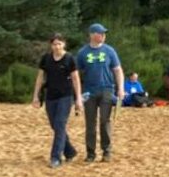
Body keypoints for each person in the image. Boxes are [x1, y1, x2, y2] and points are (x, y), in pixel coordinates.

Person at [32, 33, 83, 168]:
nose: (57, 46)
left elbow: (76, 79)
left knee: (60, 125)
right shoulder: (46, 59)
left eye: (59, 44)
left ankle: (55, 157)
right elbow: (40, 77)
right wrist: (35, 96)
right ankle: (70, 151)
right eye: (54, 44)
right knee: (55, 126)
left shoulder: (70, 59)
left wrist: (78, 98)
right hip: (50, 96)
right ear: (51, 45)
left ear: (64, 44)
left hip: (66, 97)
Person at [76, 23, 124, 162]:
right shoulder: (83, 52)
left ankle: (106, 151)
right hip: (89, 91)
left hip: (107, 89)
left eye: (104, 33)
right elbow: (76, 73)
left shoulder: (109, 51)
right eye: (100, 33)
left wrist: (121, 88)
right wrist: (77, 93)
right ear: (92, 35)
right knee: (90, 123)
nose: (103, 35)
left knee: (105, 120)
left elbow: (117, 70)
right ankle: (90, 153)